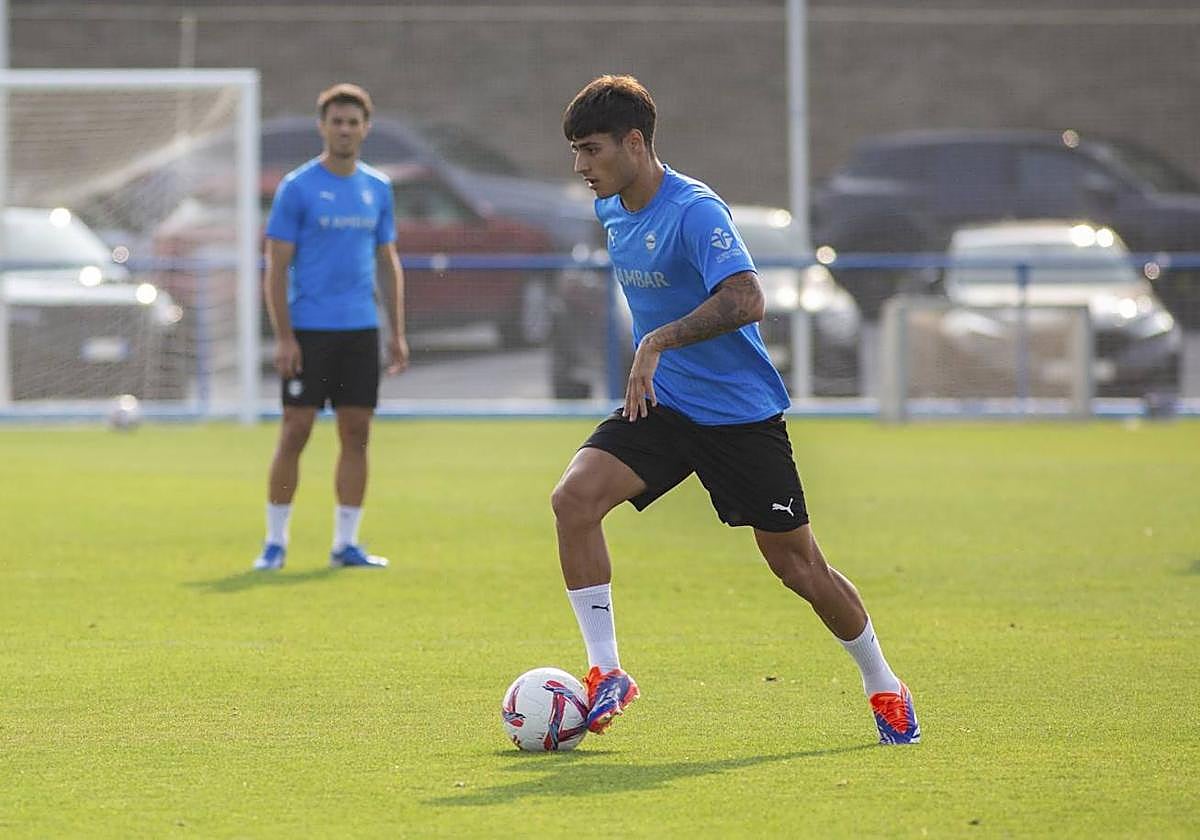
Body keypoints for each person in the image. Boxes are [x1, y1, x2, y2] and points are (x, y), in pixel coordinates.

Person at [552, 75, 920, 744]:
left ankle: (885, 685)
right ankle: (607, 672)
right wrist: (656, 357)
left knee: (798, 568)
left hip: (737, 417)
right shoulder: (611, 209)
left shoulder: (695, 211)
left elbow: (748, 299)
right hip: (662, 407)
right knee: (573, 500)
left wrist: (657, 341)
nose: (581, 167)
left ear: (634, 143)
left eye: (591, 150)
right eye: (575, 151)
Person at [252, 82, 408, 571]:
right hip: (309, 331)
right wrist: (283, 336)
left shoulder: (377, 188)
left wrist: (397, 332)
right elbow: (275, 267)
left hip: (360, 329)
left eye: (353, 121)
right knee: (295, 430)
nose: (344, 129)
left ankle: (346, 543)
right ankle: (275, 542)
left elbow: (388, 261)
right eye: (336, 121)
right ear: (322, 127)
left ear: (366, 128)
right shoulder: (297, 188)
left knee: (356, 433)